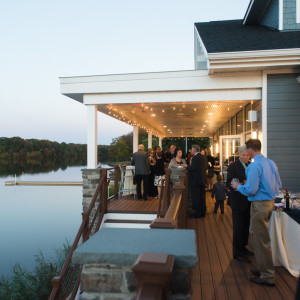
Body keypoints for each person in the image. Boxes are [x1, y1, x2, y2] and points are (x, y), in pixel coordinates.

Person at [231, 139, 281, 287]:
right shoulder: (271, 163)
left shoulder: (254, 166)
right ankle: (263, 269)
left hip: (259, 205)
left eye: (247, 151)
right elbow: (278, 185)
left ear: (250, 151)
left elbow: (250, 189)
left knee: (260, 241)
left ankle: (267, 276)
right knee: (263, 239)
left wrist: (238, 186)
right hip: (270, 203)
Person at [226, 145, 252, 263]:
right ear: (239, 155)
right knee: (238, 226)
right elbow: (228, 183)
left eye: (247, 155)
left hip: (249, 200)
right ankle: (237, 252)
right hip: (237, 200)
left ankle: (243, 247)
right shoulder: (233, 166)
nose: (245, 157)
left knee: (246, 225)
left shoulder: (251, 165)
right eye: (243, 155)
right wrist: (243, 183)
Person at [186, 144, 208, 218]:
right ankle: (203, 212)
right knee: (202, 197)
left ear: (194, 150)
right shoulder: (203, 157)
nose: (191, 151)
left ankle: (198, 214)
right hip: (203, 180)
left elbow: (193, 168)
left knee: (196, 198)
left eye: (191, 150)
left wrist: (186, 167)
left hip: (196, 181)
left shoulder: (195, 158)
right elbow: (205, 167)